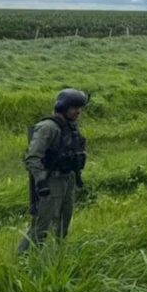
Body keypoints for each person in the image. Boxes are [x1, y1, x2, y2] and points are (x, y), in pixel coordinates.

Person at [18, 89, 88, 254]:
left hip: (68, 178)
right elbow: (32, 157)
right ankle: (23, 258)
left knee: (65, 219)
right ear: (63, 107)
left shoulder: (70, 126)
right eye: (74, 107)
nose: (78, 111)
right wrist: (41, 182)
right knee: (42, 223)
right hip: (51, 180)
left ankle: (58, 254)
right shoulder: (48, 127)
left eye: (80, 107)